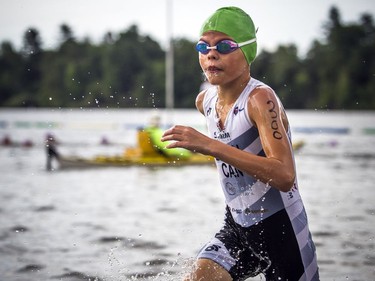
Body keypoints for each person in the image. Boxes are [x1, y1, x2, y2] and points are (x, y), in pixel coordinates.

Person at [161, 6, 319, 281]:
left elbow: (284, 175)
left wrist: (209, 146)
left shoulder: (260, 99)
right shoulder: (205, 102)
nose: (211, 53)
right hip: (238, 227)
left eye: (224, 45)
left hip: (283, 231)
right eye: (203, 46)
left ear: (247, 53)